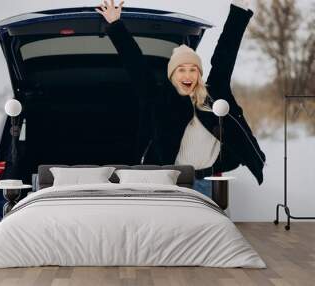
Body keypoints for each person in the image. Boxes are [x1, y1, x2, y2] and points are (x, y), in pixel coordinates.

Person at [96, 0, 266, 197]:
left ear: (199, 74)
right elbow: (137, 66)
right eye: (181, 70)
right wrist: (116, 26)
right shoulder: (160, 100)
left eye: (193, 69)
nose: (188, 75)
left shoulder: (215, 95)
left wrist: (238, 10)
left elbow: (225, 54)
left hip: (208, 184)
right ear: (172, 75)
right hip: (170, 183)